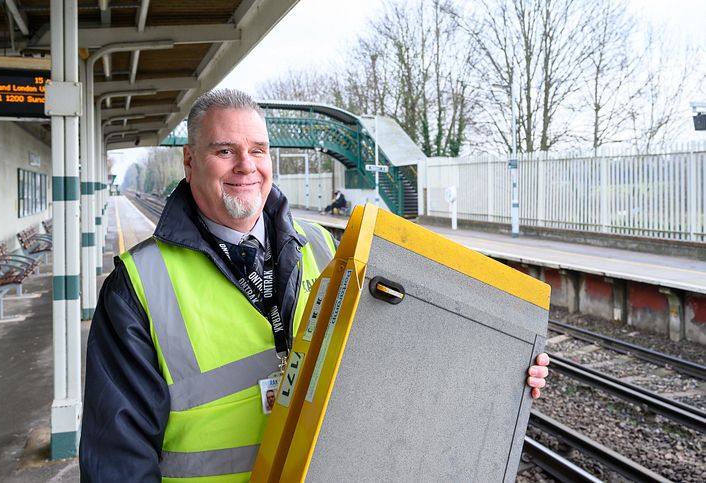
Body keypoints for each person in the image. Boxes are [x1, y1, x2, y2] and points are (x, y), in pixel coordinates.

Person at [79, 88, 549, 482]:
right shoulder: (137, 287)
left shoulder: (327, 249)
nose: (247, 165)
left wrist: (500, 369)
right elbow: (117, 462)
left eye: (258, 150)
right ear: (189, 160)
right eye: (225, 151)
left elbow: (401, 354)